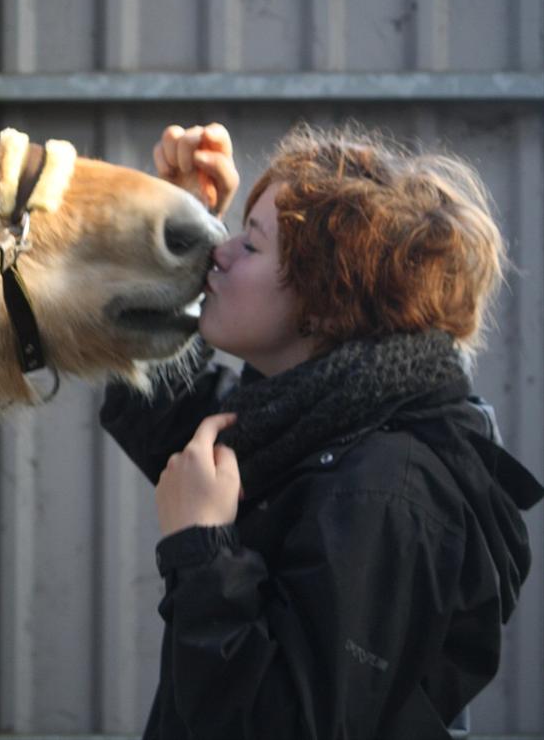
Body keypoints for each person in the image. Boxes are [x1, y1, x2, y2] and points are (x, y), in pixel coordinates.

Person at [100, 122, 543, 739]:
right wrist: (177, 229)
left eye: (250, 245)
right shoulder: (306, 423)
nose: (219, 251)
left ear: (326, 303)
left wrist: (202, 550)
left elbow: (292, 726)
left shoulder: (387, 491)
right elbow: (154, 404)